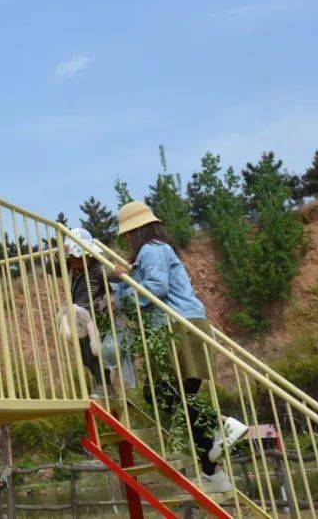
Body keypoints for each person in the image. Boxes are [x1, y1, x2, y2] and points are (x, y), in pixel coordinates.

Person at [113, 201, 248, 494]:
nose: (125, 241)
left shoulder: (151, 250)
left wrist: (125, 287)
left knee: (161, 393)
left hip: (176, 327)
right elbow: (143, 284)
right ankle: (213, 472)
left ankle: (222, 425)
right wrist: (122, 280)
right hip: (188, 324)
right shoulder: (157, 251)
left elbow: (157, 287)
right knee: (182, 399)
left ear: (136, 232)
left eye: (126, 235)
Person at [62, 228, 112, 395]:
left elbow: (112, 278)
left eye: (78, 259)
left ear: (88, 255)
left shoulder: (98, 267)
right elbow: (51, 267)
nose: (74, 264)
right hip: (79, 319)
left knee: (95, 351)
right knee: (85, 356)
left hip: (95, 315)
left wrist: (119, 274)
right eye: (71, 259)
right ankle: (102, 384)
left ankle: (105, 385)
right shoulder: (72, 270)